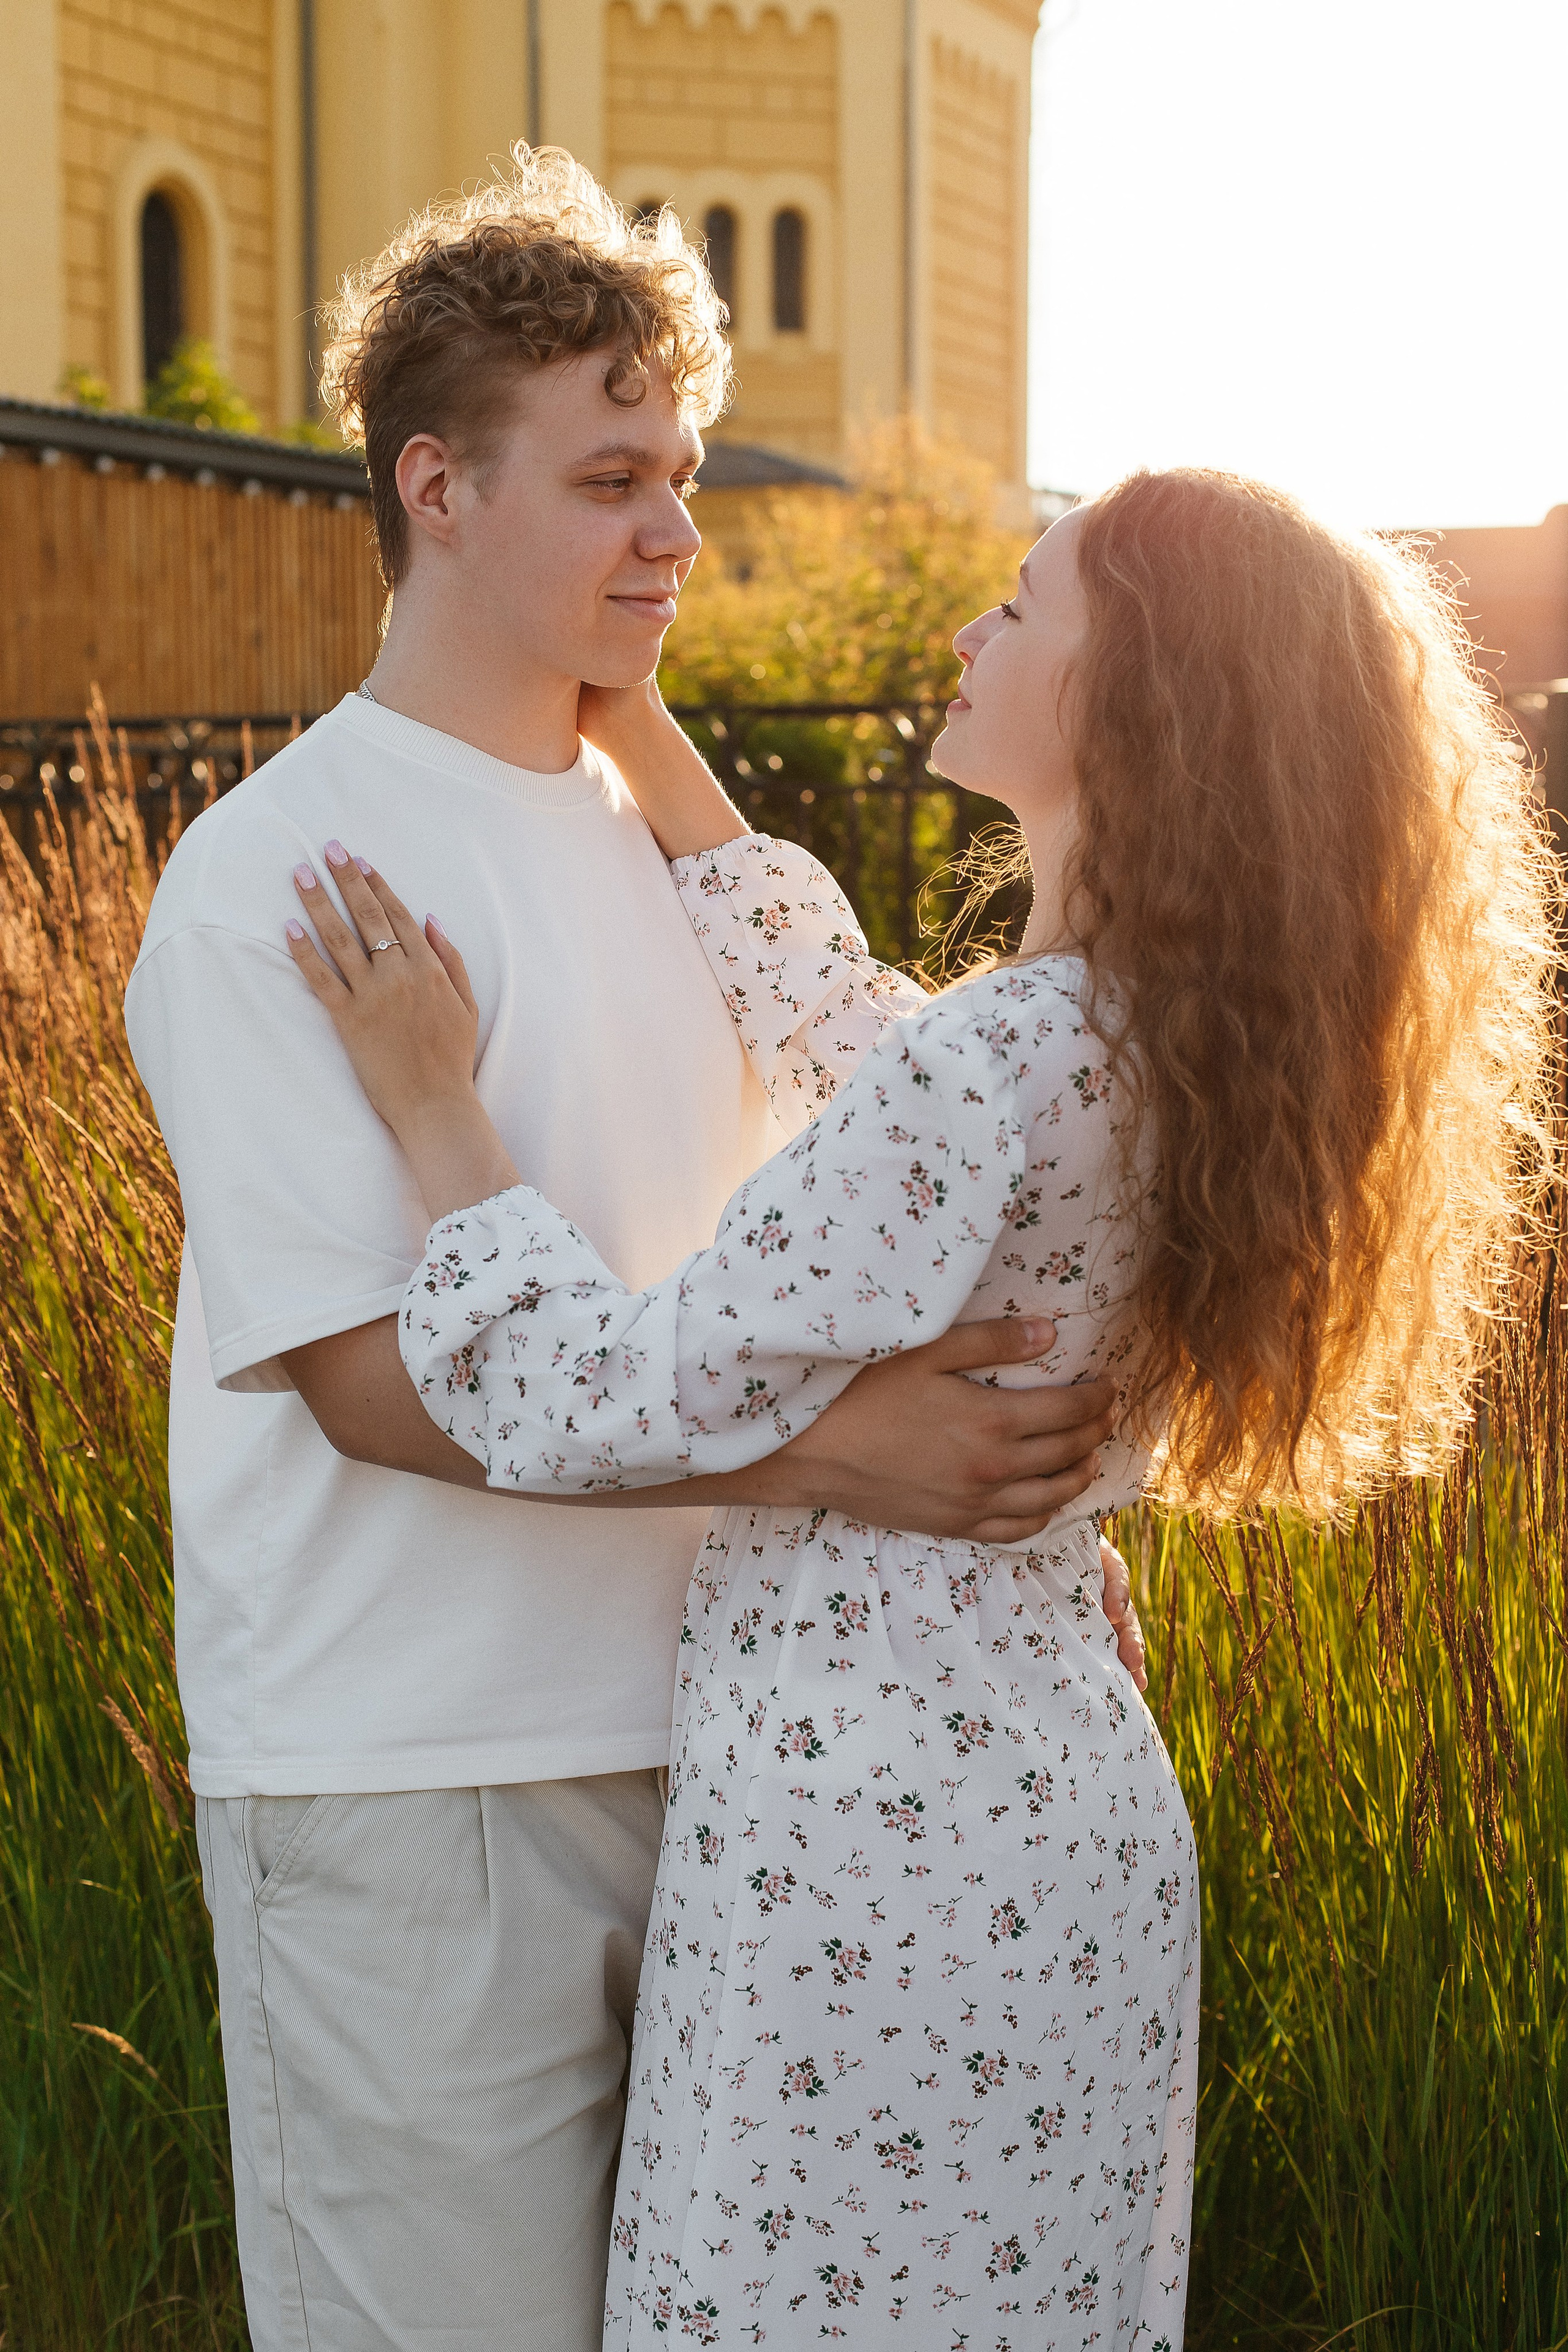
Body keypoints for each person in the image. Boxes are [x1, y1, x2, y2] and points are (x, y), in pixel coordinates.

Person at [281, 467, 1558, 2350]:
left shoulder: (1001, 1065)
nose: (972, 631)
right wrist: (640, 732)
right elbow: (853, 1033)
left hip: (870, 1842)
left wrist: (434, 1106)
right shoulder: (1157, 1041)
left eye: (1023, 606)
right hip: (1060, 1814)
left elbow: (595, 1396)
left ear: (1140, 699)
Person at [123, 148, 1140, 2352]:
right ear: (437, 490)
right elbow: (371, 1384)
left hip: (727, 1762)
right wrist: (842, 1458)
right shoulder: (277, 876)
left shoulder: (664, 850)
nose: (676, 528)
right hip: (415, 1784)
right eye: (609, 478)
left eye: (679, 470)